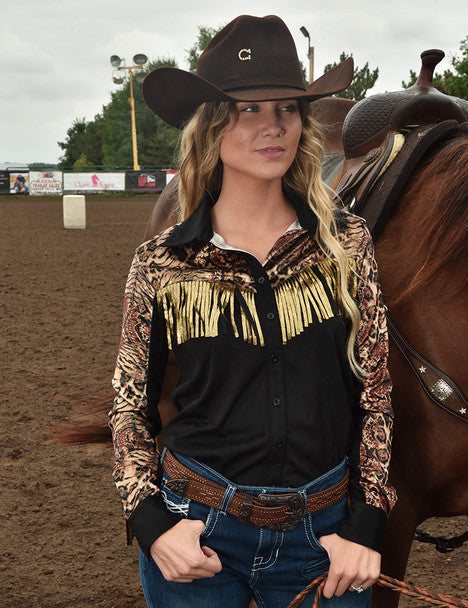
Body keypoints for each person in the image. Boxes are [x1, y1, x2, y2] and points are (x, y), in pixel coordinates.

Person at [109, 15, 397, 608]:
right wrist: (151, 526)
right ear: (210, 127)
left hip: (326, 543)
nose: (274, 127)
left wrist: (363, 528)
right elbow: (129, 404)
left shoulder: (347, 244)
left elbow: (375, 394)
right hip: (198, 536)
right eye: (248, 110)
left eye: (288, 109)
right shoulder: (163, 261)